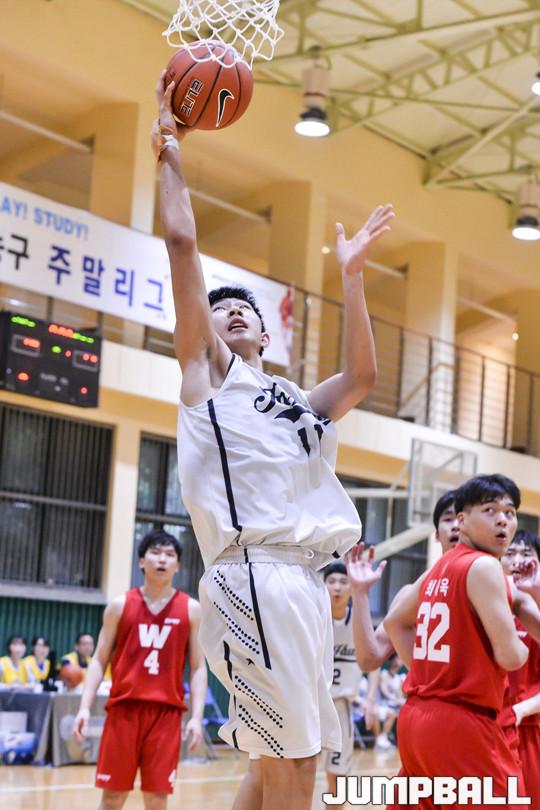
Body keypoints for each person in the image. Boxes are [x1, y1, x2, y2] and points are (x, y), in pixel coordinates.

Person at [152, 70, 394, 810]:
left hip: (305, 584)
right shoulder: (208, 377)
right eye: (216, 308)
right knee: (293, 765)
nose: (229, 312)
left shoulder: (293, 399)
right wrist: (170, 145)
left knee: (281, 765)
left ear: (265, 332)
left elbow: (361, 376)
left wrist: (352, 277)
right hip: (251, 574)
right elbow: (183, 242)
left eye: (243, 309)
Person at [383, 474, 529, 809]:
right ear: (462, 520)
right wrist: (521, 644)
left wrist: (430, 674)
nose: (503, 520)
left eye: (509, 512)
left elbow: (394, 622)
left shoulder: (438, 567)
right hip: (462, 722)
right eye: (490, 510)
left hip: (416, 717)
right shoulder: (485, 566)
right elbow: (510, 656)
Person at [73, 529, 206, 810]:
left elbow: (197, 667)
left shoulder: (191, 609)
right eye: (155, 553)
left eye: (169, 555)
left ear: (178, 565)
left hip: (166, 715)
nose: (162, 559)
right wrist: (84, 707)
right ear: (142, 561)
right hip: (124, 712)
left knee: (157, 800)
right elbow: (99, 660)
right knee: (112, 798)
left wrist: (196, 716)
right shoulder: (119, 606)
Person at [346, 490, 459, 672]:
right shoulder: (411, 594)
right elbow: (368, 660)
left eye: (462, 519)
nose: (456, 526)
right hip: (424, 690)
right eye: (448, 519)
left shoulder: (489, 583)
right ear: (436, 534)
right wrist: (359, 593)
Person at [500, 530, 540, 805]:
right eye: (510, 553)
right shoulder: (489, 606)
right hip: (493, 726)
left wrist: (523, 709)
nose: (517, 560)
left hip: (531, 727)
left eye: (526, 554)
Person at [322, 561, 364, 794]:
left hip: (341, 708)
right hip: (312, 707)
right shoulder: (312, 619)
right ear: (323, 586)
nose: (337, 587)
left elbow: (372, 663)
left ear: (351, 587)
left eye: (343, 582)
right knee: (300, 777)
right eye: (331, 581)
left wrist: (370, 700)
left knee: (338, 784)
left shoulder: (360, 621)